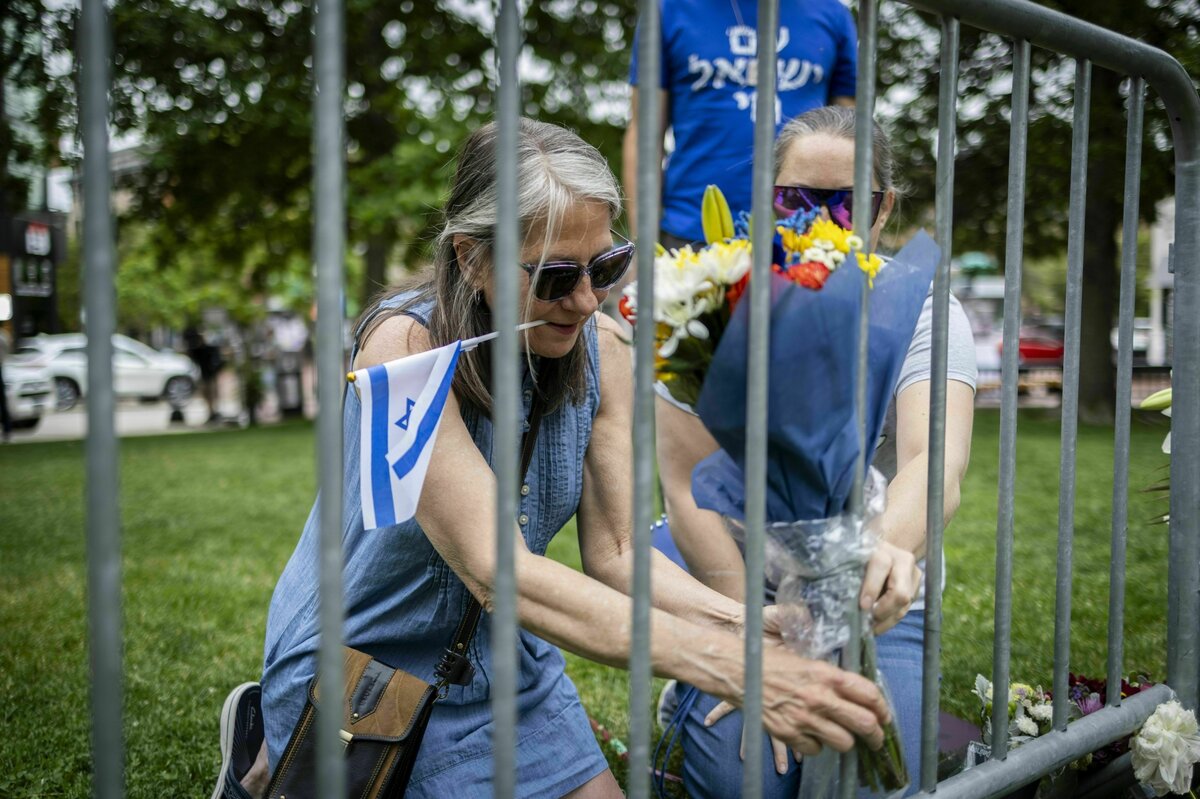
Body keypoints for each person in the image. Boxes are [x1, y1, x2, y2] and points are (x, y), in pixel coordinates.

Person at [214, 118, 890, 799]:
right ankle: (264, 747)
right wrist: (732, 666)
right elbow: (499, 573)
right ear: (472, 257)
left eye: (606, 265)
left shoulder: (606, 348)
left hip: (506, 661)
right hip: (365, 669)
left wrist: (744, 626)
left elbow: (619, 552)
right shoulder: (404, 348)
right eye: (555, 276)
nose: (588, 299)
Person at [654, 105, 978, 798]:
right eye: (795, 200)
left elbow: (935, 463)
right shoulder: (709, 300)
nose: (820, 222)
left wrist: (851, 586)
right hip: (740, 586)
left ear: (883, 208)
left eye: (847, 202)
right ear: (766, 200)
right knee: (748, 782)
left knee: (875, 779)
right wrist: (749, 638)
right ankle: (683, 705)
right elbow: (684, 486)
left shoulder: (923, 307)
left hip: (873, 592)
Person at [623, 0, 857, 250]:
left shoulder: (831, 14)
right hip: (692, 229)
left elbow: (849, 134)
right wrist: (642, 247)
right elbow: (644, 135)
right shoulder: (669, 9)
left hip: (805, 230)